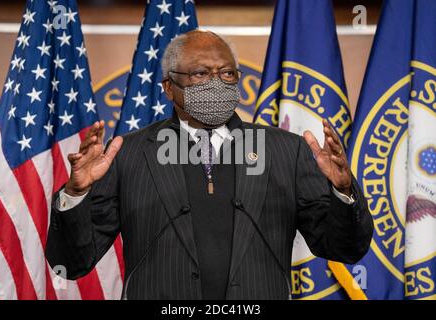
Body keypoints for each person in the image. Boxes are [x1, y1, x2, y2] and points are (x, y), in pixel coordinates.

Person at [46, 30, 373, 300]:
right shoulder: (129, 154)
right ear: (169, 88)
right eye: (201, 73)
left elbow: (343, 248)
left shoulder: (286, 151)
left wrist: (342, 192)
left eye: (227, 73)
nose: (218, 82)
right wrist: (76, 193)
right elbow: (71, 263)